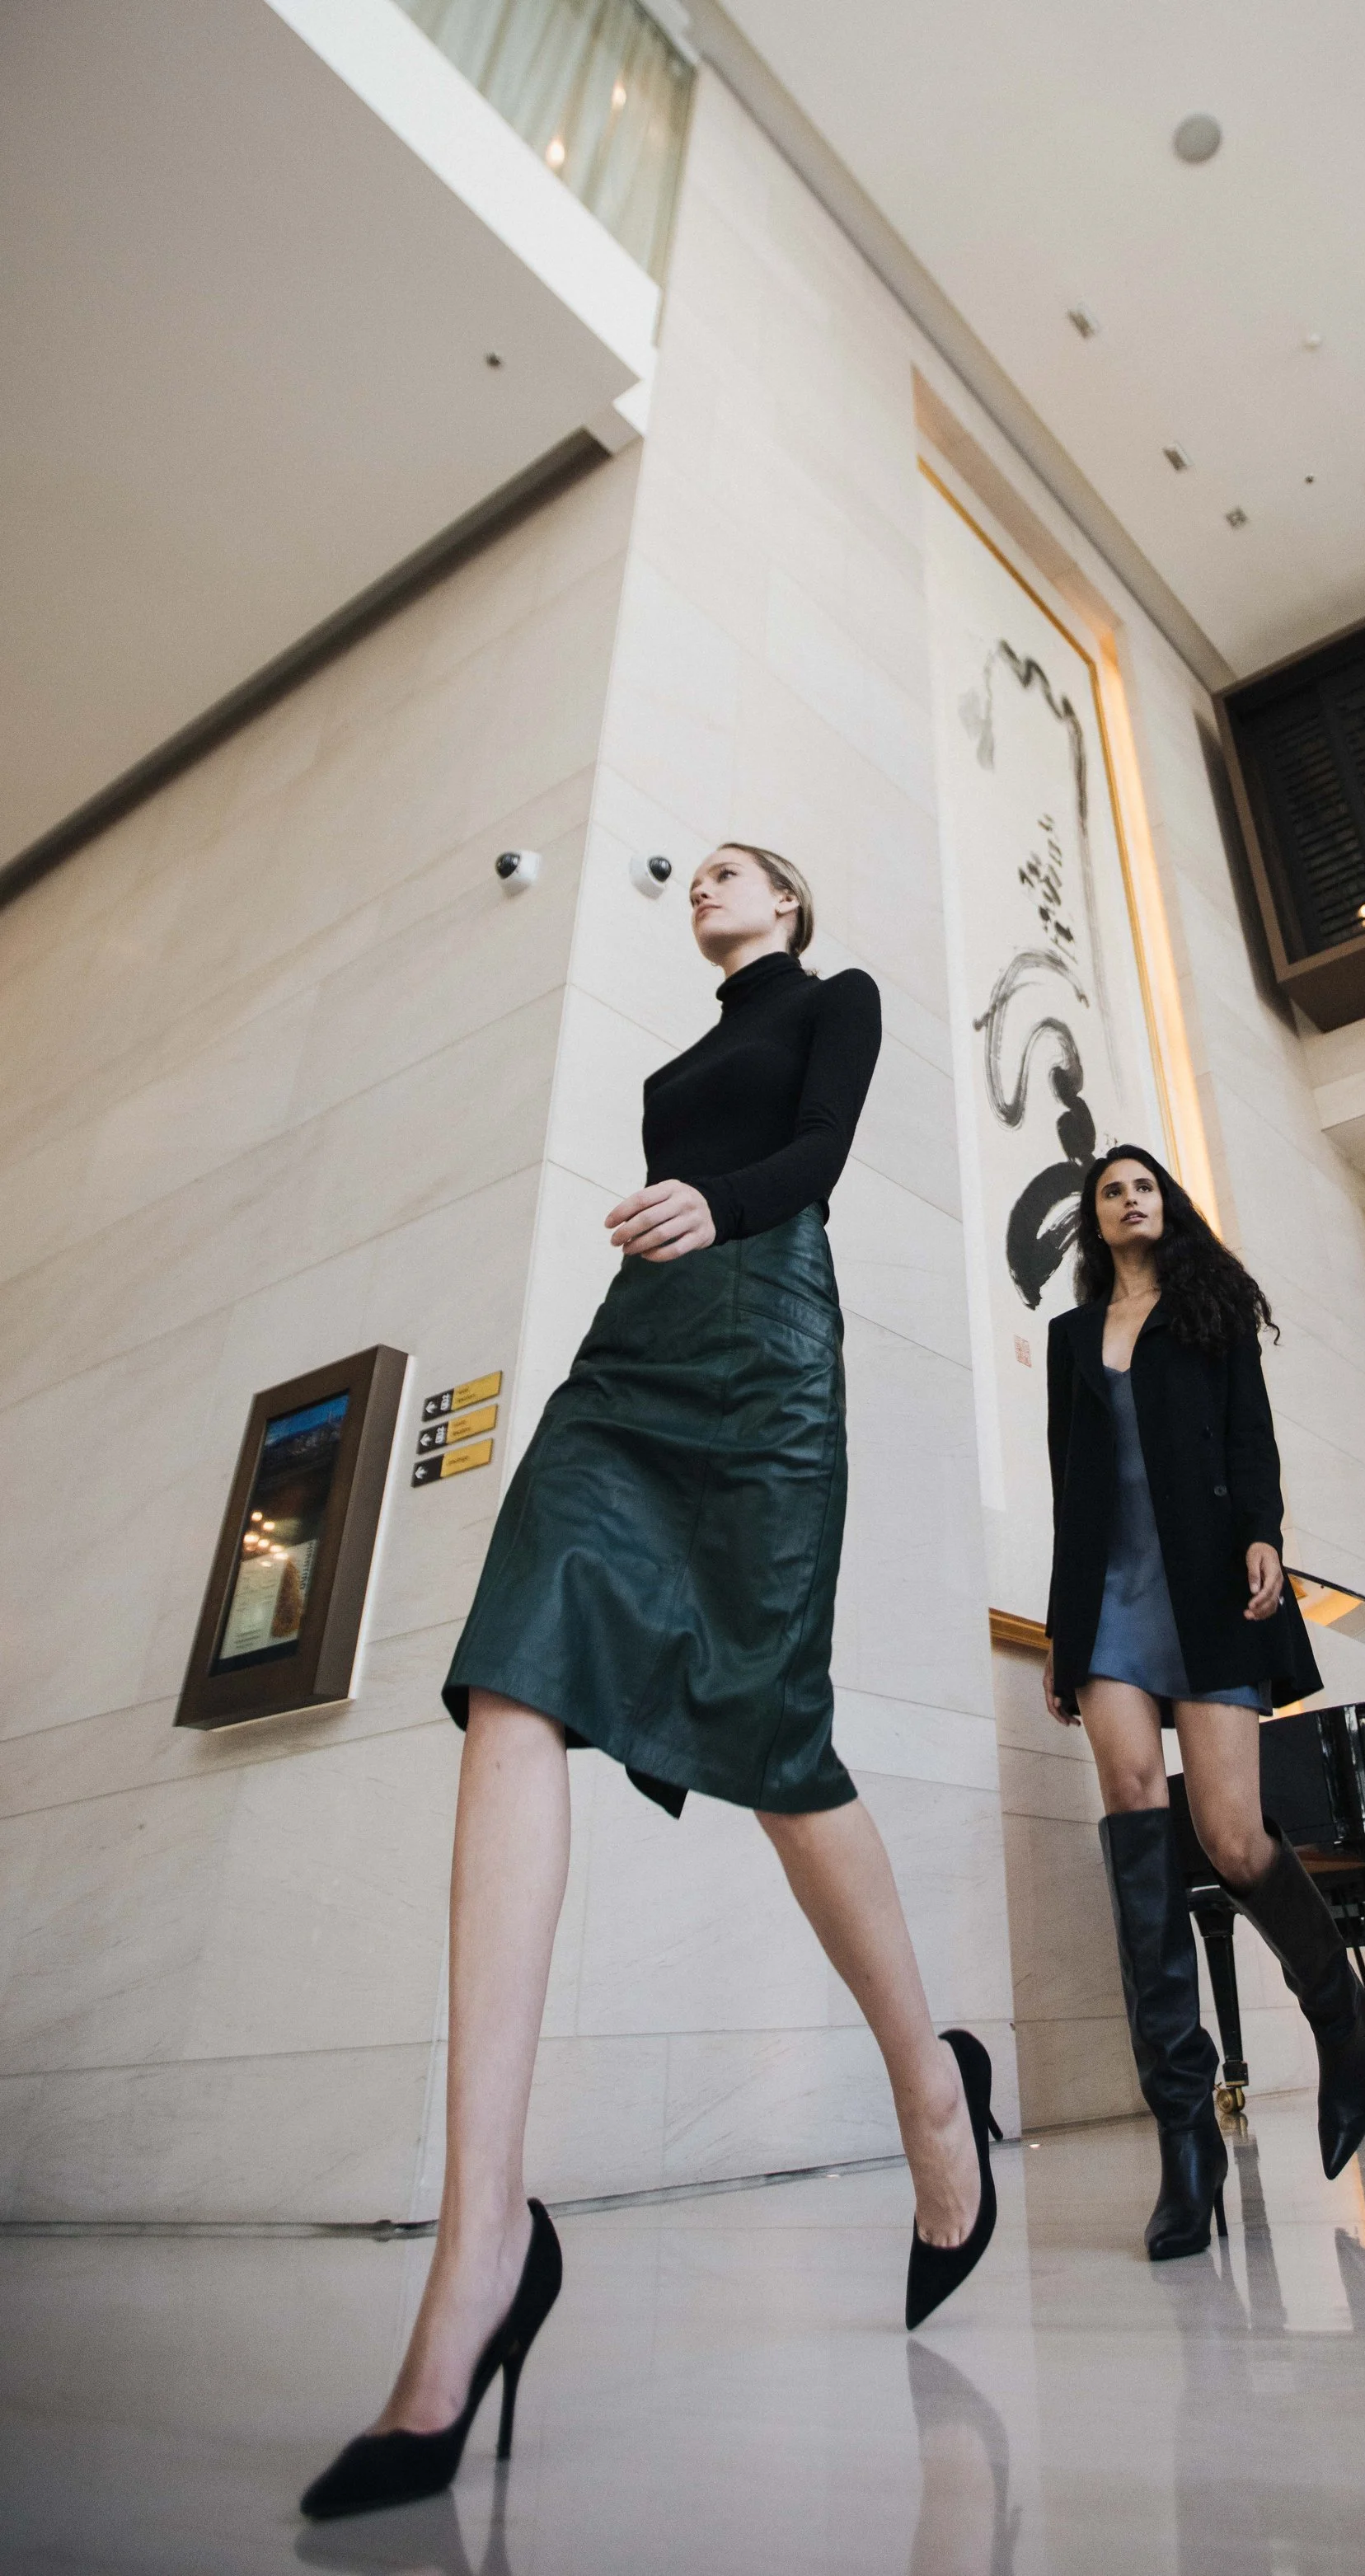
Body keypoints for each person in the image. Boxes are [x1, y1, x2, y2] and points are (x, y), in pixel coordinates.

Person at [301, 846, 999, 2523]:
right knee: (512, 1673)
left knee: (773, 1741)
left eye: (740, 869)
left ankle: (932, 2089)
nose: (709, 882)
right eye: (698, 872)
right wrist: (675, 1221)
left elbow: (818, 1154)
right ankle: (481, 2243)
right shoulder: (670, 1065)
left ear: (793, 906)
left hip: (769, 1350)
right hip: (632, 1359)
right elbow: (687, 1177)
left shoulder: (836, 999)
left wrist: (719, 1205)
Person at [1042, 1146, 1365, 2261]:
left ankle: (1336, 2010)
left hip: (1209, 1591)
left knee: (1231, 1839)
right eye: (1111, 1190)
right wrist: (1064, 1630)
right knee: (1136, 1827)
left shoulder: (1210, 1312)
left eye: (1145, 1185)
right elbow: (1069, 1487)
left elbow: (1250, 1437)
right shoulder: (1069, 1339)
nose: (1130, 1199)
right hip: (1109, 1604)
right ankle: (1185, 2136)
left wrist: (1264, 1533)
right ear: (1095, 1220)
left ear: (1168, 1205)